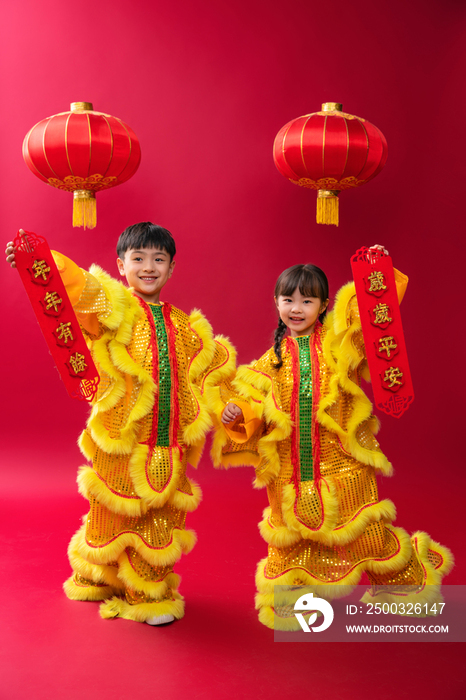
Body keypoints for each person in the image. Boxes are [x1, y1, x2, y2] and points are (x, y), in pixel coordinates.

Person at [5, 222, 236, 625]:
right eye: (139, 259)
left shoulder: (186, 327)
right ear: (121, 264)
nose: (148, 267)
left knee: (158, 520)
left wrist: (239, 409)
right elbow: (78, 288)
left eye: (158, 260)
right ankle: (97, 574)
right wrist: (38, 264)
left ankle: (144, 591)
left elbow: (214, 374)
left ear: (172, 268)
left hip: (168, 445)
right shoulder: (114, 308)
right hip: (120, 441)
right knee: (109, 513)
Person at [214, 250, 453, 631]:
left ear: (324, 305)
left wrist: (377, 270)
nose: (296, 308)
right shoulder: (269, 363)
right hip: (290, 474)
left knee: (368, 535)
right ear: (276, 302)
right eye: (288, 299)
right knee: (293, 541)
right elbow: (251, 404)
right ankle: (296, 604)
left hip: (344, 466)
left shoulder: (340, 344)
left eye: (307, 300)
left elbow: (371, 314)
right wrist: (236, 415)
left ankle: (403, 589)